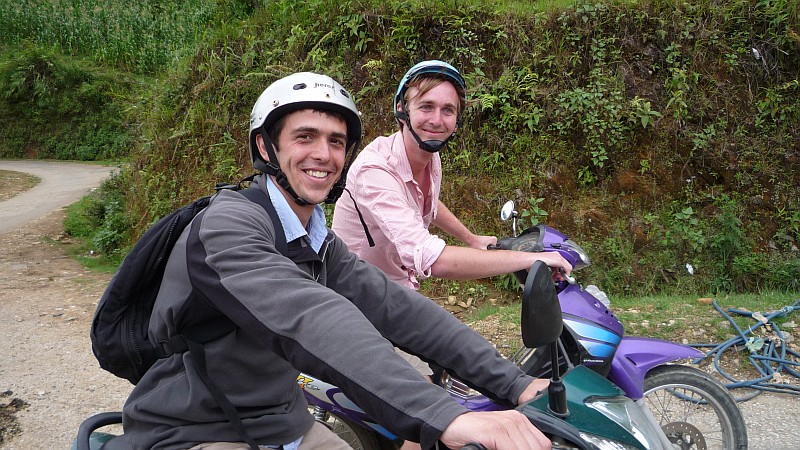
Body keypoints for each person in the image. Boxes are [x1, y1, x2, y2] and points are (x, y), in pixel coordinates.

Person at [107, 71, 551, 450]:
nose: (323, 154)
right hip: (193, 429)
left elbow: (395, 307)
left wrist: (514, 382)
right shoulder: (228, 227)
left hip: (283, 421)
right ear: (266, 146)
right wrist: (445, 415)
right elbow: (311, 318)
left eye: (336, 141)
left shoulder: (315, 239)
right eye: (305, 137)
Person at [332, 59, 571, 295]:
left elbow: (427, 200)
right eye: (426, 107)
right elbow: (432, 259)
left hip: (396, 285)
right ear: (402, 110)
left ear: (457, 120)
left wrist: (471, 238)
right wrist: (527, 259)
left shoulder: (429, 156)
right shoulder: (374, 171)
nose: (436, 121)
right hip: (355, 292)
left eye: (447, 110)